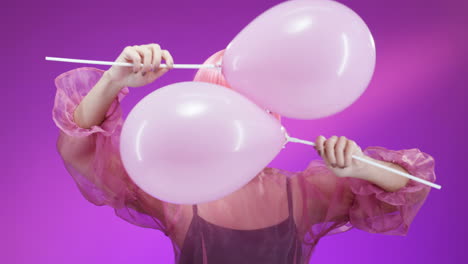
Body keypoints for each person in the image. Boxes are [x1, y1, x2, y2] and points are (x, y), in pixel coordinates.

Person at [52, 43, 436, 264]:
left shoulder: (300, 193)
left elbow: (410, 187)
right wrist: (113, 79)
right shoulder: (175, 192)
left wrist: (363, 167)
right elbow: (83, 146)